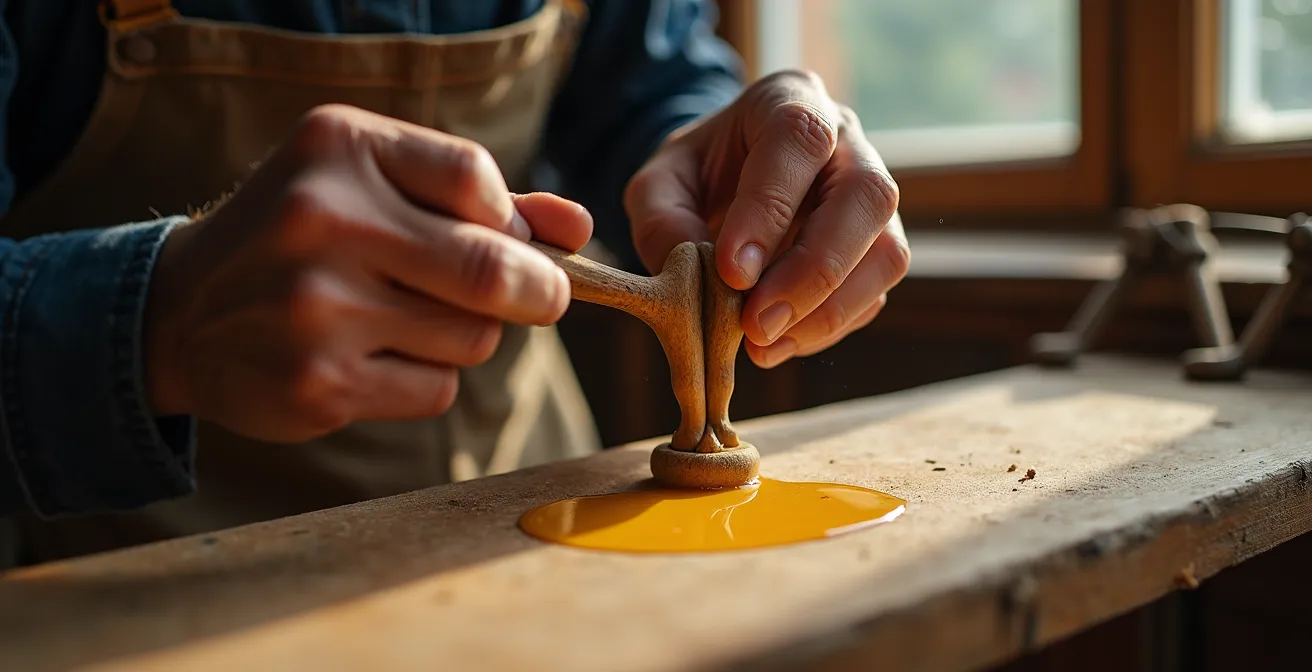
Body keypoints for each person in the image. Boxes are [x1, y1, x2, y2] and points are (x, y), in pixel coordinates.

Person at [0, 0, 907, 565]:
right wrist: (150, 317)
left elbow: (650, 77)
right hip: (158, 577)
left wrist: (725, 147)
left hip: (545, 540)